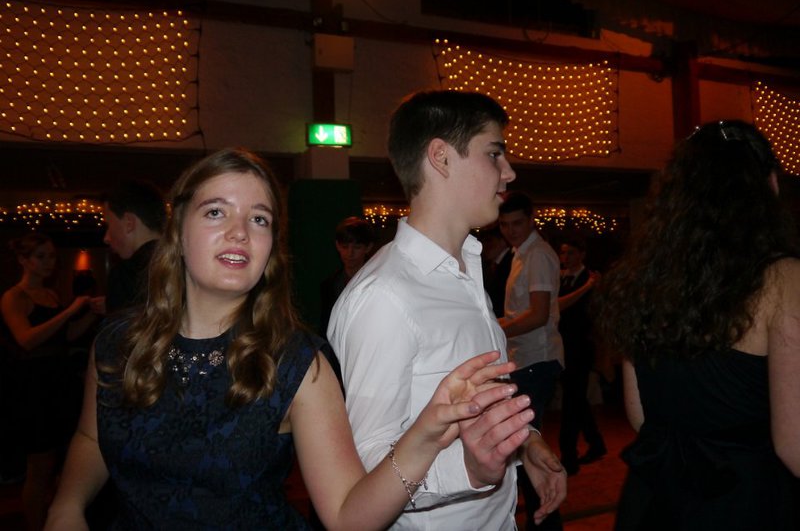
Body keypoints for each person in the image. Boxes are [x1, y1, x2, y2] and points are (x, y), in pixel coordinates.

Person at [44, 147, 534, 531]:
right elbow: (92, 436)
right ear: (177, 230)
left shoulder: (297, 363)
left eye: (259, 219)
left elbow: (346, 514)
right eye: (216, 212)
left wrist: (424, 433)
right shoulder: (117, 342)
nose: (240, 232)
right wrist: (67, 504)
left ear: (270, 248)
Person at [328, 90, 567, 530]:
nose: (508, 171)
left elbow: (479, 403)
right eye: (494, 153)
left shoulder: (466, 269)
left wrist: (524, 445)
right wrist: (471, 471)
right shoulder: (384, 297)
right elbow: (366, 468)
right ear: (441, 157)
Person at [598, 120, 800, 530]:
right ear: (770, 186)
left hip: (658, 498)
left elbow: (641, 417)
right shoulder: (783, 279)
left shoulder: (639, 281)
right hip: (746, 502)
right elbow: (794, 442)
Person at [1, 232, 101, 531]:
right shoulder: (13, 297)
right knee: (40, 466)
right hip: (34, 385)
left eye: (52, 257)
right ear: (23, 260)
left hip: (59, 380)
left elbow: (67, 336)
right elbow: (26, 339)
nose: (49, 263)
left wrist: (92, 313)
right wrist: (70, 310)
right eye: (41, 257)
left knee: (65, 460)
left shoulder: (50, 294)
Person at [496, 190, 564, 529]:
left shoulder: (537, 254)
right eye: (505, 224)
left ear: (531, 220)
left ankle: (545, 521)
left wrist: (495, 328)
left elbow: (538, 315)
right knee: (525, 450)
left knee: (527, 451)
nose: (511, 230)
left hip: (537, 361)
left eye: (517, 223)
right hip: (527, 359)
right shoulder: (521, 253)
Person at [556, 236, 605, 476]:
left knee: (572, 402)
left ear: (582, 254)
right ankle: (596, 443)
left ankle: (569, 456)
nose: (566, 258)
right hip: (562, 346)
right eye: (563, 253)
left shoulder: (591, 279)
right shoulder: (560, 277)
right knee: (576, 399)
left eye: (571, 253)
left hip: (581, 347)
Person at [101, 179, 166, 314]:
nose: (106, 238)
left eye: (108, 225)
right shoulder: (188, 265)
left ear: (129, 223)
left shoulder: (123, 275)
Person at [318, 216, 376, 336]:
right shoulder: (329, 285)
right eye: (345, 247)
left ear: (368, 248)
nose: (350, 253)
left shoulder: (376, 283)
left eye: (357, 247)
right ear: (338, 246)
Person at [478, 224, 513, 318]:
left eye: (489, 241)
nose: (484, 246)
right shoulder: (495, 264)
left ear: (502, 242)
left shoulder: (509, 263)